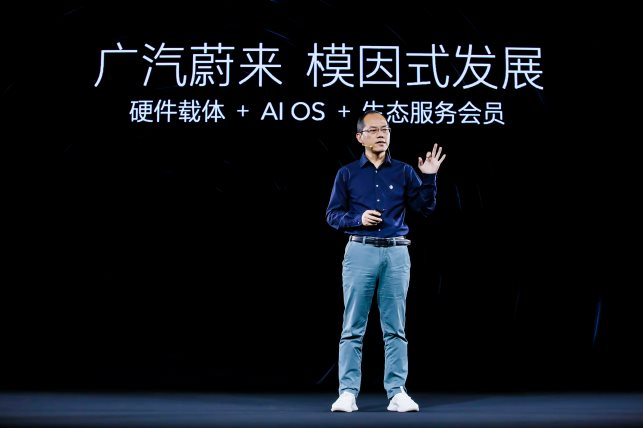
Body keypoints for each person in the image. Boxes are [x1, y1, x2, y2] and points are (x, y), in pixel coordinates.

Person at [326, 110, 446, 412]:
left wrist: (429, 177)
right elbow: (332, 215)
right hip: (360, 251)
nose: (381, 134)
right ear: (360, 137)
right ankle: (347, 392)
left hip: (396, 252)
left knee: (395, 327)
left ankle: (397, 392)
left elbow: (424, 209)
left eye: (386, 129)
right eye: (374, 130)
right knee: (353, 326)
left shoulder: (404, 171)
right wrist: (358, 218)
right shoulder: (347, 173)